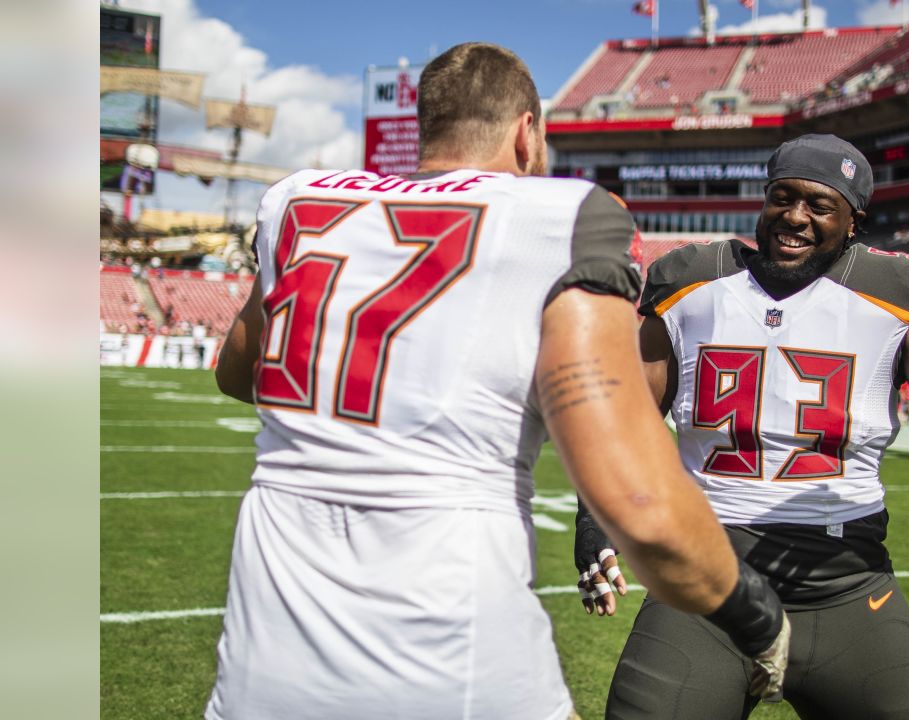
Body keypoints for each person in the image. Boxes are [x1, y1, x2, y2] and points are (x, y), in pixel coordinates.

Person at [206, 43, 789, 720]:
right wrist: (758, 619)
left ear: (426, 127)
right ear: (526, 131)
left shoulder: (297, 202)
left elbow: (239, 373)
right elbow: (639, 499)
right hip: (455, 653)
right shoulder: (563, 217)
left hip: (265, 663)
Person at [577, 135, 909, 719]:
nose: (795, 217)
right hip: (705, 580)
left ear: (853, 222)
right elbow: (623, 410)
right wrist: (595, 517)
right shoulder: (692, 279)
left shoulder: (894, 293)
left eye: (819, 205)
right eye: (783, 198)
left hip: (843, 585)